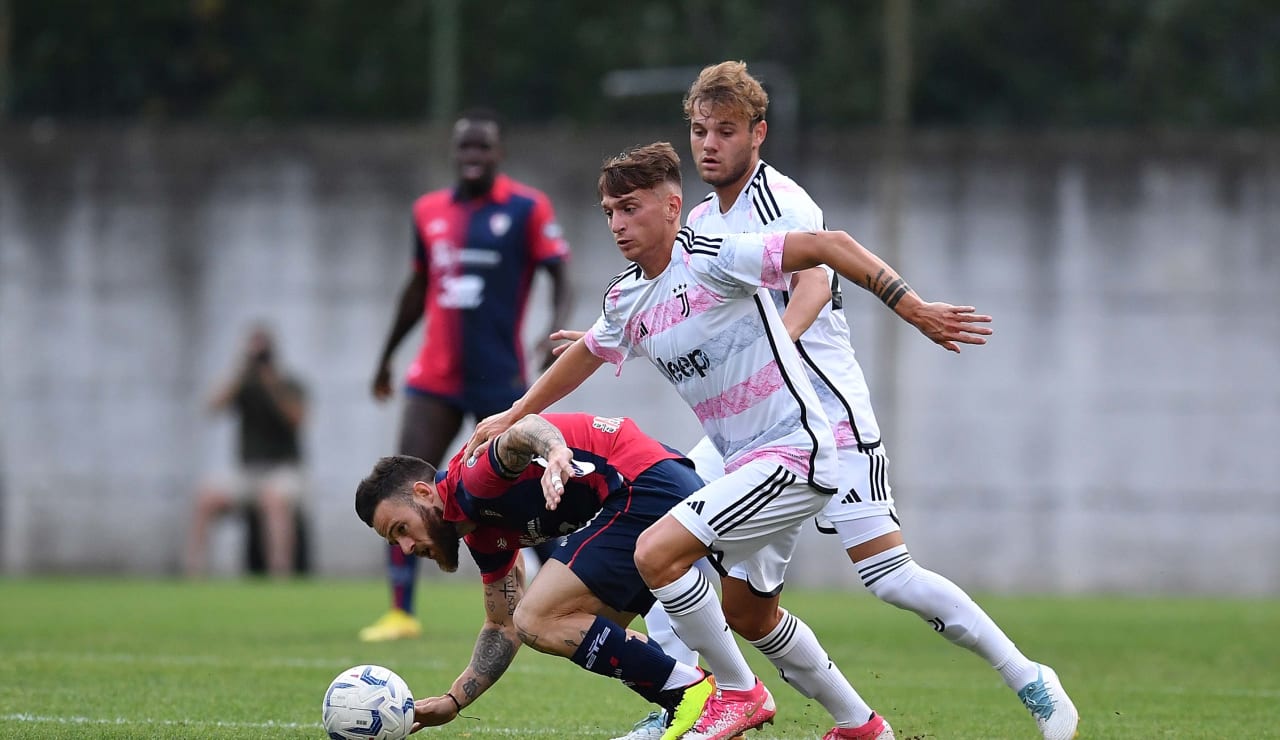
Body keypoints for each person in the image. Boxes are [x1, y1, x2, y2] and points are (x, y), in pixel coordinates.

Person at [467, 142, 992, 740]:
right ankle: (859, 726)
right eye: (608, 211)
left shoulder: (717, 257)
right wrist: (516, 411)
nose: (616, 224)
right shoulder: (628, 294)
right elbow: (591, 350)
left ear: (672, 207)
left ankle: (736, 694)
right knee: (740, 606)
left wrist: (914, 307)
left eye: (629, 208)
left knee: (659, 552)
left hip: (799, 450)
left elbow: (829, 249)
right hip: (747, 461)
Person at [673, 60, 1077, 740]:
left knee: (890, 577)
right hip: (754, 429)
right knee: (715, 584)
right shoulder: (703, 218)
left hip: (827, 420)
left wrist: (774, 353)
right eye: (698, 131)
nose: (708, 144)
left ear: (758, 134)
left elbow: (811, 287)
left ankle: (1029, 677)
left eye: (725, 131)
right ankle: (848, 723)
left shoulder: (782, 205)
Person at [353, 412, 718, 740]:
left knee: (538, 617)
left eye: (401, 528)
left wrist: (556, 451)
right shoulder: (480, 532)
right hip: (660, 492)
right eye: (394, 540)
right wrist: (453, 700)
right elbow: (502, 626)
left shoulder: (471, 480)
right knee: (578, 625)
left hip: (647, 488)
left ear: (422, 492)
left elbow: (523, 428)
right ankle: (695, 712)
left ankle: (692, 694)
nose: (405, 547)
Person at [360, 108, 574, 643]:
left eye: (483, 148)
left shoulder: (526, 208)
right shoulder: (429, 210)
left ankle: (570, 588)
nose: (473, 158)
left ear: (498, 153)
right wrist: (386, 356)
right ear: (455, 153)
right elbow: (416, 289)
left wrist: (555, 328)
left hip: (500, 374)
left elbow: (560, 273)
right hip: (435, 375)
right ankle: (400, 610)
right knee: (404, 484)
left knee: (531, 484)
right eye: (465, 149)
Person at [185, 324, 307, 578]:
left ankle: (279, 576)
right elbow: (212, 407)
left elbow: (297, 418)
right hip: (247, 473)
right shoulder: (242, 385)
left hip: (283, 471)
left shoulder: (289, 383)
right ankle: (193, 575)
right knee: (205, 498)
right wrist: (239, 374)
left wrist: (271, 384)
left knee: (273, 500)